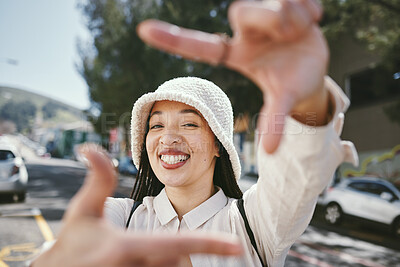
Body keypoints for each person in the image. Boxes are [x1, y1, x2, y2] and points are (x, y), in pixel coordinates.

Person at [32, 0, 358, 266]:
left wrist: (306, 98)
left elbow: (295, 173)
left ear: (219, 144)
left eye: (189, 124)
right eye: (156, 125)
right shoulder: (119, 216)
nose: (168, 138)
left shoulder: (254, 223)